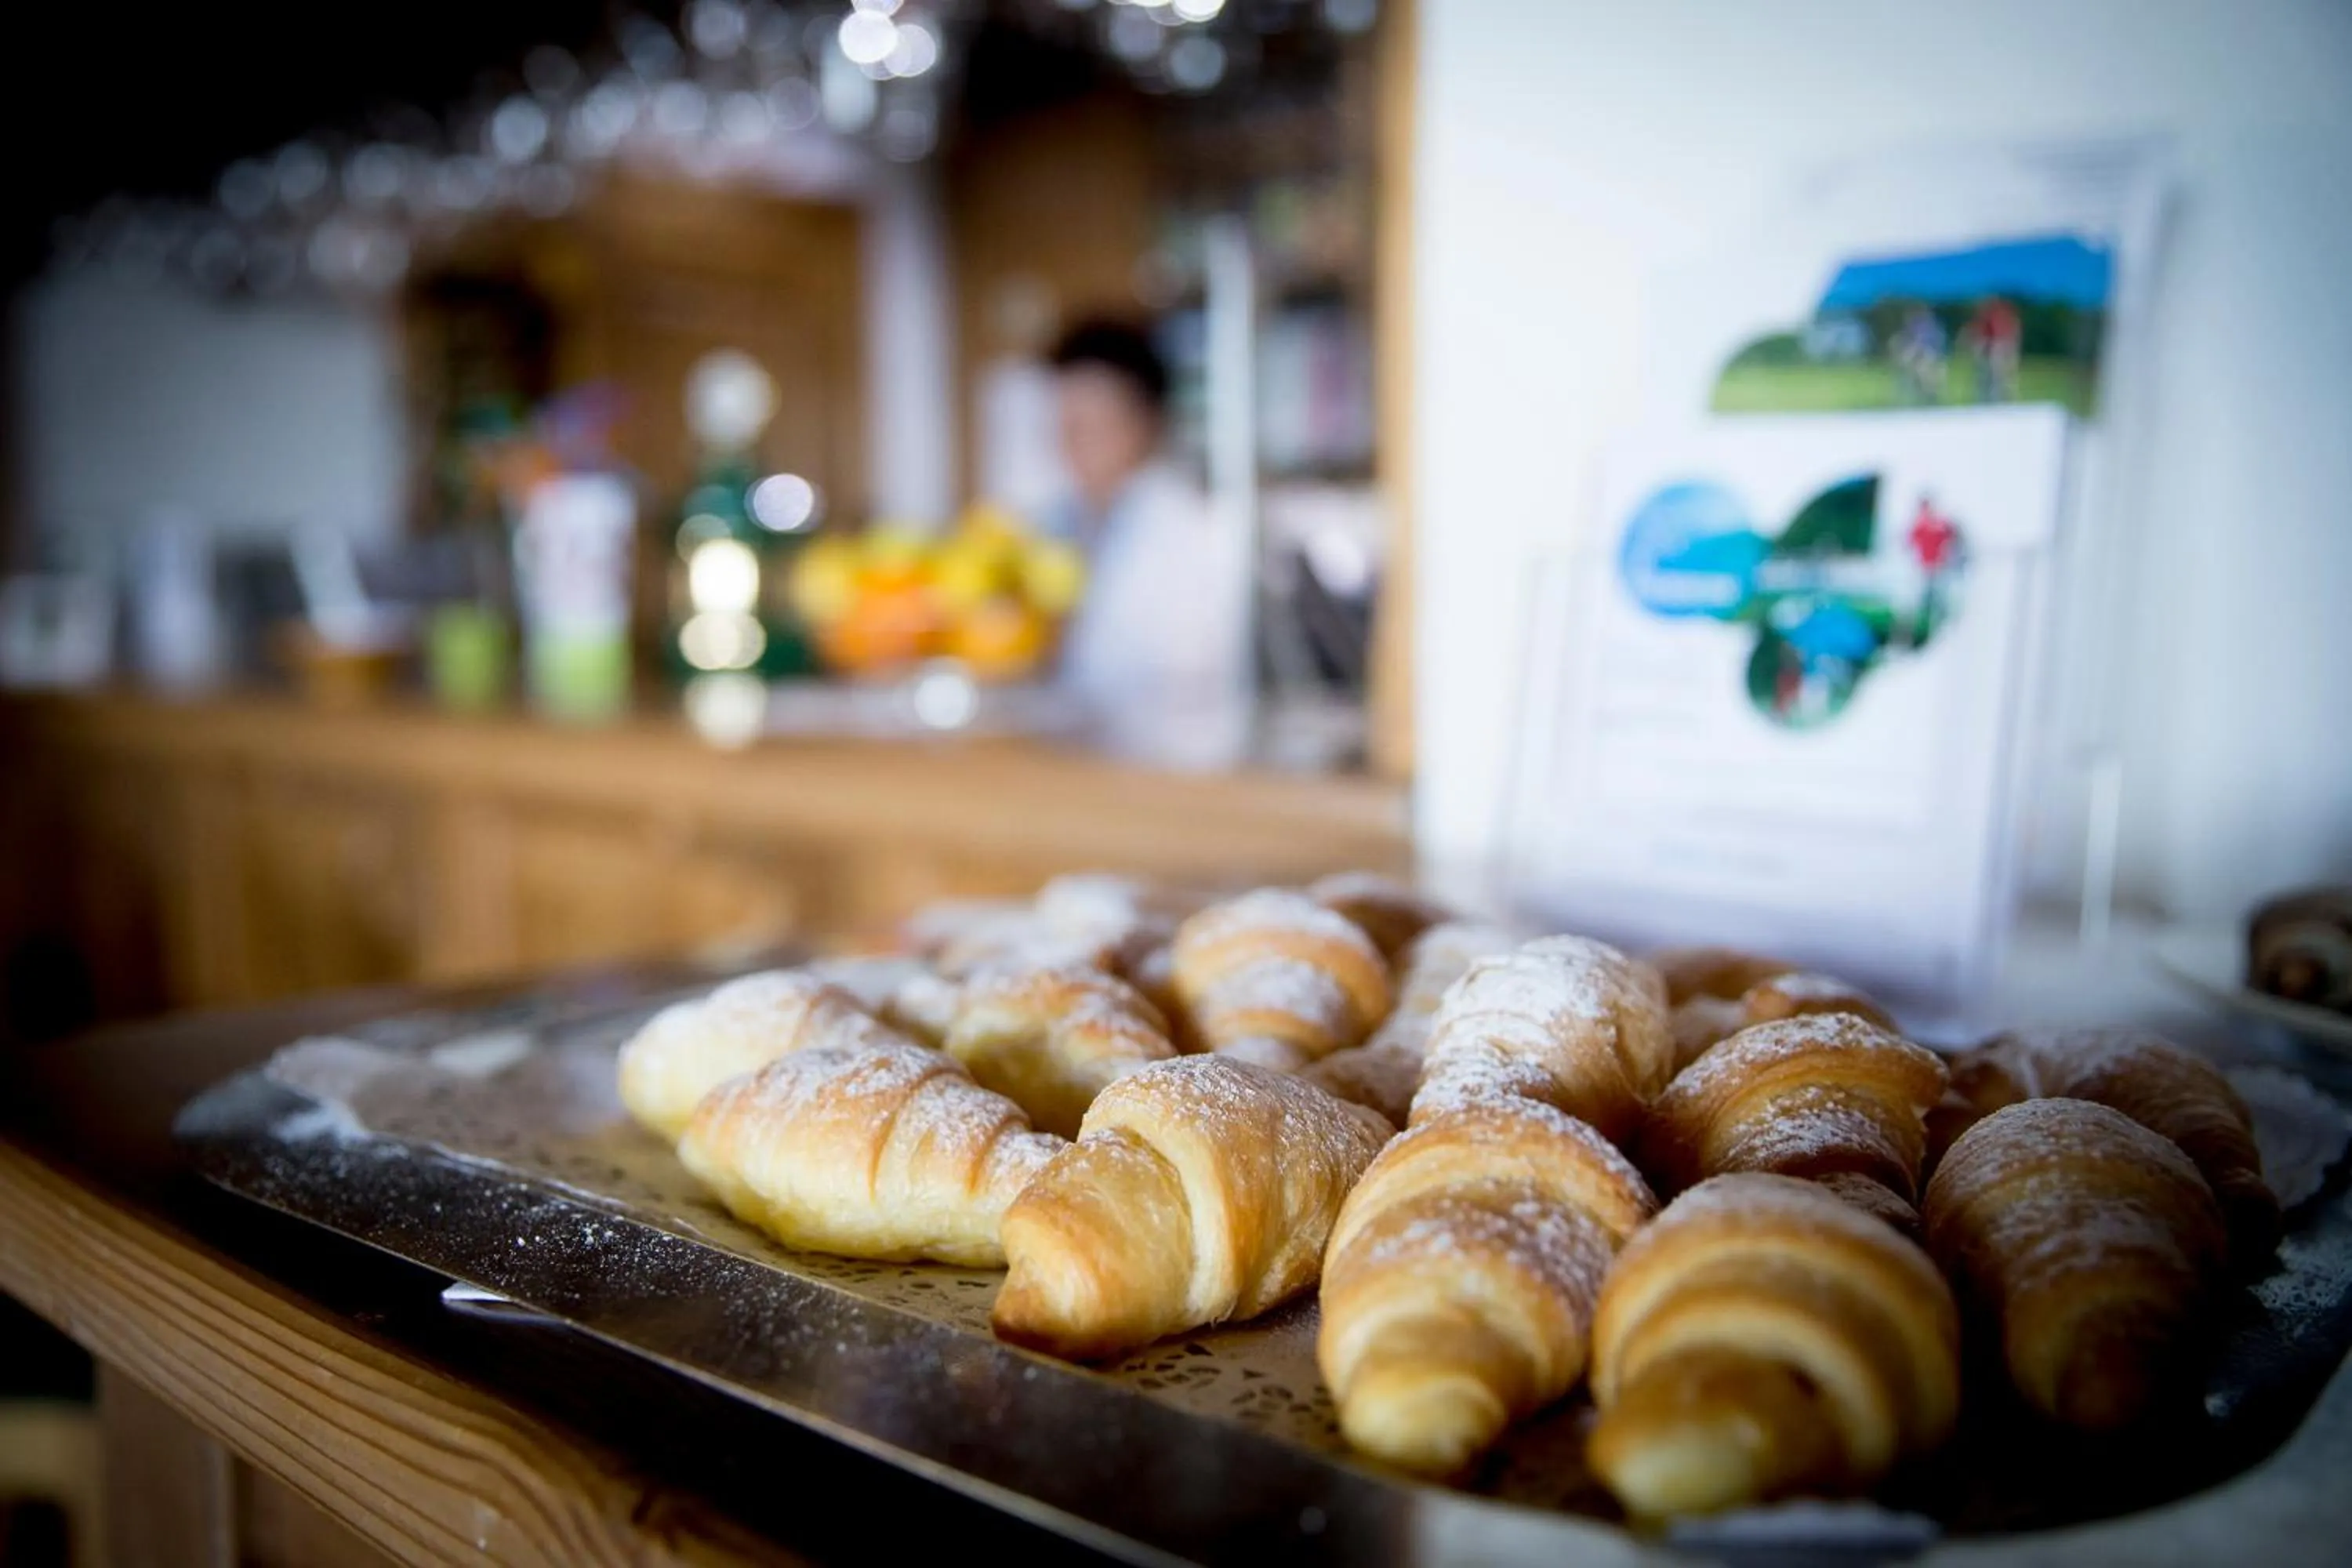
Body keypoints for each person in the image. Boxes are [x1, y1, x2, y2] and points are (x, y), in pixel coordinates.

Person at [1042, 319, 1255, 765]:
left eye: (1089, 428)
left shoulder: (1191, 533)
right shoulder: (1062, 524)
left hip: (1169, 778)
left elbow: (1174, 680)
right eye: (1064, 426)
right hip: (1087, 773)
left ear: (1144, 424)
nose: (1070, 446)